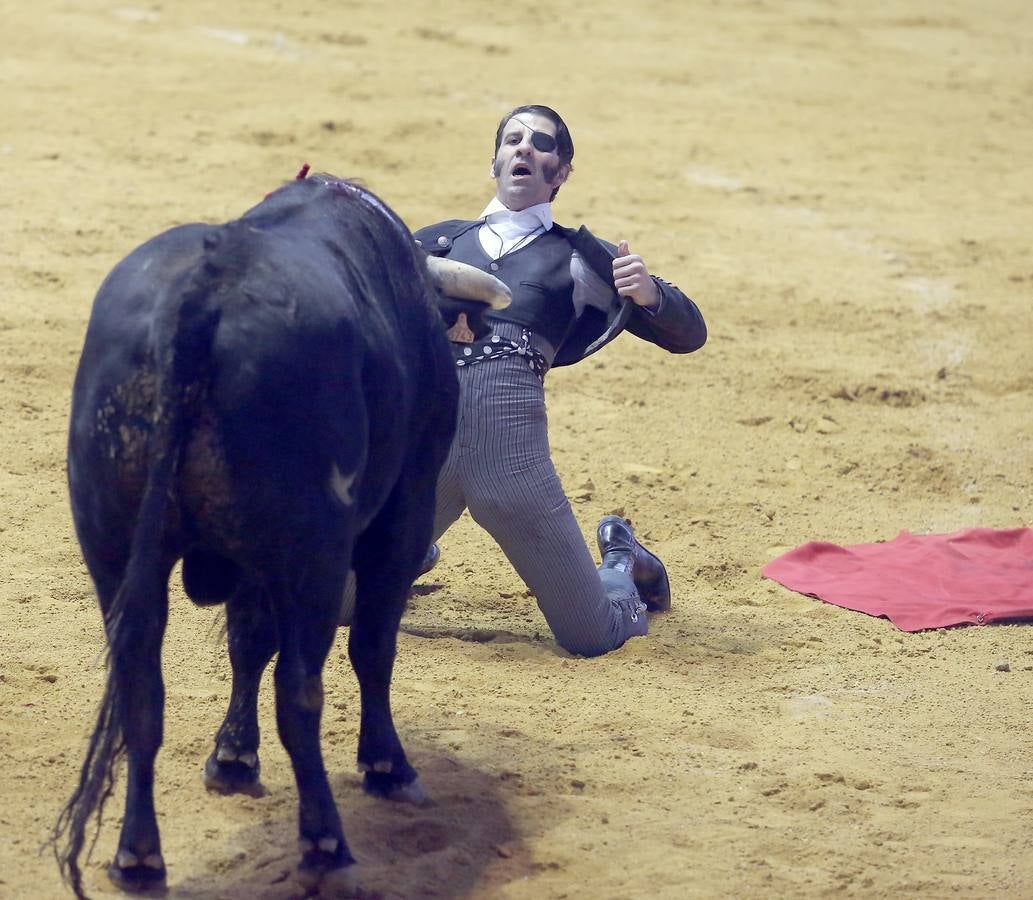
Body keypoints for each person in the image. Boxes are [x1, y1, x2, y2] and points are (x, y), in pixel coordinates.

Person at [412, 104, 707, 657]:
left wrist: (649, 293)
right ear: (494, 160)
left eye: (541, 142)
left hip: (511, 459)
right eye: (512, 139)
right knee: (338, 603)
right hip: (424, 450)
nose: (524, 148)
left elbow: (688, 333)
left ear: (562, 171)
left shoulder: (576, 259)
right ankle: (410, 553)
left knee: (590, 634)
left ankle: (622, 565)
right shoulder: (433, 244)